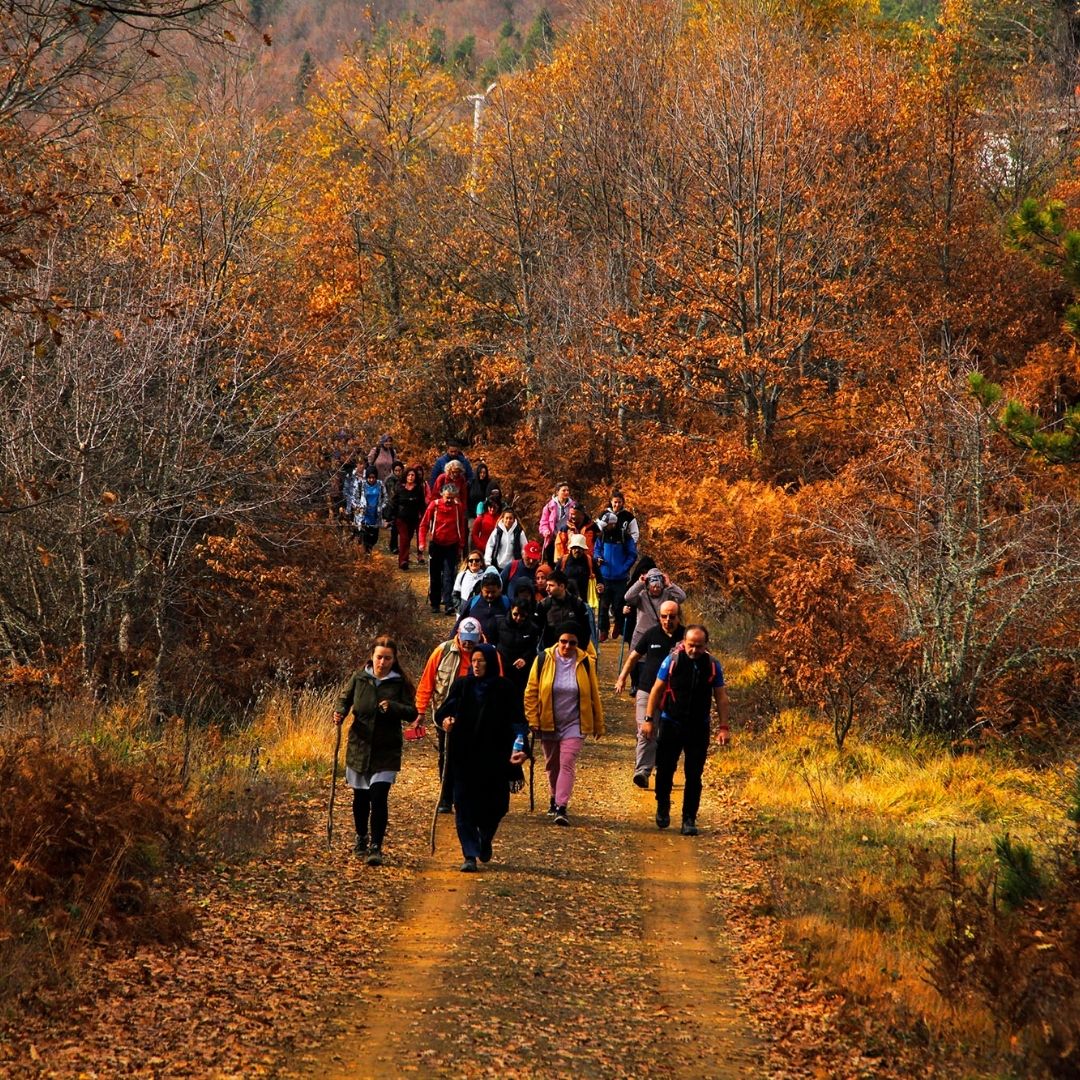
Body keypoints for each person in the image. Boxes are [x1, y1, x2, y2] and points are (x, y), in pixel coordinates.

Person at [436, 644, 526, 872]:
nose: (476, 665)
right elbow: (444, 711)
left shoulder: (505, 688)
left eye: (481, 661)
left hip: (495, 757)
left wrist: (520, 745)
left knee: (496, 806)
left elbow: (518, 720)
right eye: (473, 661)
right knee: (463, 805)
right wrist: (447, 720)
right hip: (464, 756)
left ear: (490, 662)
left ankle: (485, 837)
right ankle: (469, 854)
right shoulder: (463, 686)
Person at [333, 636, 417, 866]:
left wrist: (393, 708)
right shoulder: (360, 678)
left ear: (394, 659)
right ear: (372, 656)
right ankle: (361, 837)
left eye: (388, 658)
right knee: (361, 797)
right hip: (359, 746)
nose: (383, 662)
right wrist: (339, 713)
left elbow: (412, 712)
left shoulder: (399, 683)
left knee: (379, 797)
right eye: (379, 657)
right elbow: (344, 699)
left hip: (386, 749)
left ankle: (376, 847)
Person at [643, 624, 729, 836]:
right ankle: (662, 804)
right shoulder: (671, 661)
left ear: (705, 645)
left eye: (699, 646)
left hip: (698, 726)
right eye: (691, 645)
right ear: (684, 643)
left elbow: (721, 697)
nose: (694, 650)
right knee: (665, 770)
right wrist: (648, 719)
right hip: (671, 722)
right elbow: (656, 689)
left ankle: (689, 818)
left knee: (694, 775)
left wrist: (724, 727)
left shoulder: (712, 665)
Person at [414, 617, 499, 814]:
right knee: (447, 755)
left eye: (472, 639)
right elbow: (427, 682)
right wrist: (420, 711)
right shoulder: (442, 651)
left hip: (479, 715)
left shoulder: (489, 654)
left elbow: (499, 683)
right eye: (465, 638)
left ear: (480, 637)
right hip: (447, 713)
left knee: (475, 756)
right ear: (458, 635)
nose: (468, 643)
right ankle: (446, 796)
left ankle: (470, 795)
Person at [524, 622, 604, 826]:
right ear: (557, 641)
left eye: (572, 643)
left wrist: (598, 723)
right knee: (552, 765)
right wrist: (532, 719)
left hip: (574, 723)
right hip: (548, 721)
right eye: (563, 642)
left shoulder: (585, 662)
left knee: (567, 762)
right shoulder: (543, 659)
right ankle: (553, 795)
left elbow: (593, 693)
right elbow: (531, 692)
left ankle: (561, 806)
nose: (567, 646)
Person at [614, 600, 684, 789]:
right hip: (647, 689)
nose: (667, 620)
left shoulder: (686, 637)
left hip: (675, 694)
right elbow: (633, 657)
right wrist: (622, 678)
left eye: (672, 616)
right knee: (646, 729)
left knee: (668, 735)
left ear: (678, 617)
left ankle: (665, 768)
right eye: (664, 616)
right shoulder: (651, 634)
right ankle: (642, 772)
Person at [418, 483, 467, 614]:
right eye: (447, 497)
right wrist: (422, 543)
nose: (449, 500)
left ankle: (448, 603)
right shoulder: (434, 506)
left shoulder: (458, 507)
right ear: (442, 495)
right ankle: (435, 603)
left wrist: (461, 545)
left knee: (449, 575)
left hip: (452, 545)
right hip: (436, 544)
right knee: (435, 575)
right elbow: (423, 525)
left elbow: (462, 526)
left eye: (452, 497)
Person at [594, 508, 638, 642]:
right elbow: (597, 549)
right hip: (604, 576)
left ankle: (619, 625)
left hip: (620, 578)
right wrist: (598, 558)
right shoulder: (601, 535)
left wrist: (623, 569)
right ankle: (603, 629)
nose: (605, 527)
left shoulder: (625, 536)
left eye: (607, 525)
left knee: (619, 605)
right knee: (603, 605)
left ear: (613, 524)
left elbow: (632, 554)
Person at [624, 568, 687, 650]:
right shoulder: (642, 595)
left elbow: (682, 598)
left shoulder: (668, 594)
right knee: (638, 660)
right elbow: (628, 597)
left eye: (658, 586)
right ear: (647, 585)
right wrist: (639, 583)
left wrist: (670, 585)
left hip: (661, 634)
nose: (655, 589)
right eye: (653, 586)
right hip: (641, 634)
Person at [457, 567, 510, 644]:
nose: (490, 595)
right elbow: (460, 623)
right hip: (475, 649)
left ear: (499, 589)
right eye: (487, 592)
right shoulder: (473, 602)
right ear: (481, 589)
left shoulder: (506, 603)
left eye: (493, 592)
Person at [389, 465, 425, 570]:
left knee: (408, 539)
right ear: (405, 476)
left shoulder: (418, 489)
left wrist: (424, 516)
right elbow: (394, 502)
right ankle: (403, 561)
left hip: (413, 518)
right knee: (404, 538)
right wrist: (390, 517)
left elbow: (422, 504)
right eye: (409, 475)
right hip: (401, 518)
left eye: (413, 475)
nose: (411, 477)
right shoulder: (400, 487)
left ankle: (404, 558)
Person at [349, 465, 386, 554]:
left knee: (374, 538)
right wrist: (358, 507)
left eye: (373, 478)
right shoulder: (361, 485)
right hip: (363, 516)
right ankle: (365, 554)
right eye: (369, 477)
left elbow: (385, 497)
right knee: (364, 536)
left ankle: (369, 550)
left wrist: (382, 506)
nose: (371, 480)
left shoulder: (380, 485)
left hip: (375, 515)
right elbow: (353, 498)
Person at [538, 482, 575, 566]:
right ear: (557, 492)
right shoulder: (549, 506)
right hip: (552, 538)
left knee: (566, 562)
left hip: (567, 538)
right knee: (552, 563)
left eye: (568, 490)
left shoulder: (573, 505)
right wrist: (546, 531)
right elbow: (543, 522)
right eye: (564, 490)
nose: (566, 492)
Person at [484, 507, 527, 572]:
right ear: (503, 519)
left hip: (513, 566)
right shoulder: (497, 531)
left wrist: (524, 562)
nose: (508, 520)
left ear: (514, 519)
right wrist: (487, 562)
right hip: (498, 565)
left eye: (510, 518)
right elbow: (490, 546)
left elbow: (524, 548)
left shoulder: (519, 532)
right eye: (506, 518)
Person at [559, 533, 595, 609]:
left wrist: (600, 585)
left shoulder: (589, 561)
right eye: (574, 548)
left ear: (584, 549)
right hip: (565, 602)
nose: (577, 550)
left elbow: (599, 577)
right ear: (571, 548)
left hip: (585, 601)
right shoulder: (563, 560)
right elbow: (555, 578)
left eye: (580, 548)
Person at [383, 461, 406, 556]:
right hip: (392, 505)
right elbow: (392, 494)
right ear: (393, 470)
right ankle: (394, 546)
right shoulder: (390, 480)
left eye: (399, 470)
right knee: (394, 528)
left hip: (402, 505)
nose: (398, 472)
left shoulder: (404, 478)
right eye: (396, 470)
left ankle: (401, 546)